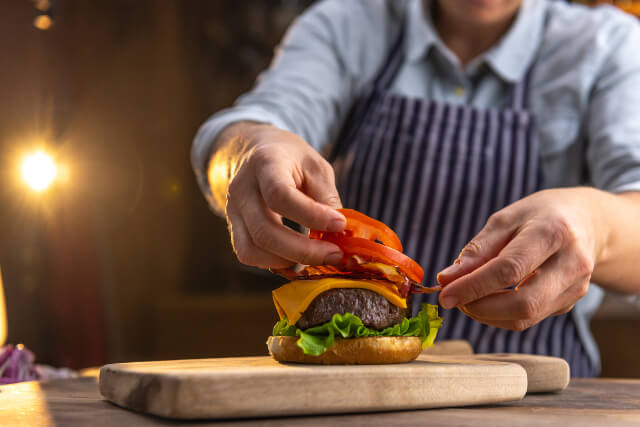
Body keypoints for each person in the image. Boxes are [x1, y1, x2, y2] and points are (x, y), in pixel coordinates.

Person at [192, 0, 640, 377]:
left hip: (536, 392)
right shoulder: (348, 22)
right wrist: (249, 150)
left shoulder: (608, 44)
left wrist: (592, 224)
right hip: (351, 396)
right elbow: (246, 129)